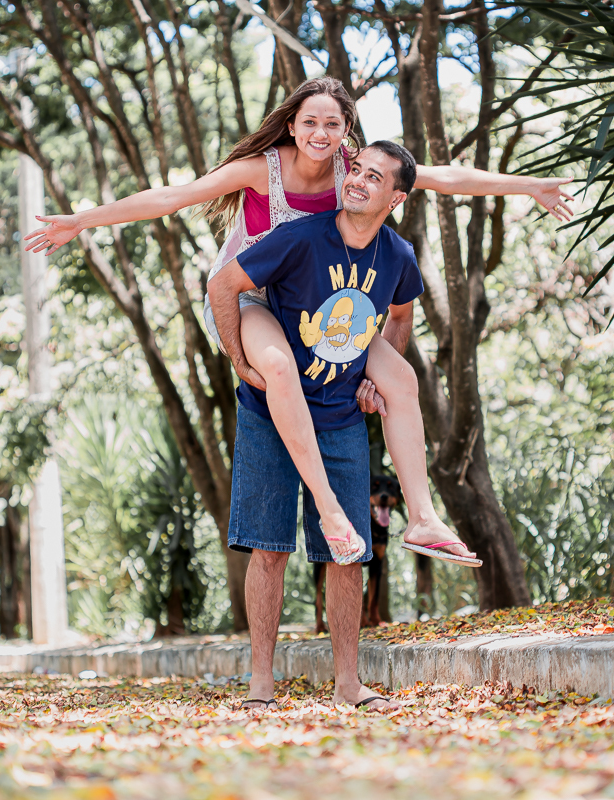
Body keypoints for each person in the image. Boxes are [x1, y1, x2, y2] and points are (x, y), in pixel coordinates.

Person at [23, 77, 574, 566]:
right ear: (292, 125)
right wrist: (81, 220)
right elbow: (171, 197)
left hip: (317, 307)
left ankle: (424, 518)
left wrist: (526, 186)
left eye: (332, 123)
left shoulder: (356, 170)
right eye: (309, 121)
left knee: (402, 380)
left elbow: (443, 178)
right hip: (253, 300)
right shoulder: (260, 171)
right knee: (280, 370)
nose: (320, 131)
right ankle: (332, 514)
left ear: (346, 131)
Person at [208, 140, 422, 711]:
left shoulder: (397, 257)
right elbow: (223, 284)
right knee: (269, 550)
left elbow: (400, 313)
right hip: (270, 413)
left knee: (347, 553)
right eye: (358, 170)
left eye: (374, 178)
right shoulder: (301, 236)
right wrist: (240, 359)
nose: (357, 180)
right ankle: (260, 684)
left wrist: (378, 377)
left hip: (341, 417)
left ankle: (349, 684)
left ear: (395, 198)